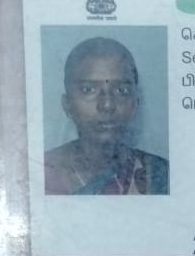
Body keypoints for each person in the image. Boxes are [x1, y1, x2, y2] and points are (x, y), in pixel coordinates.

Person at [44, 36, 169, 196]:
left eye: (121, 90)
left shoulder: (161, 176)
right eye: (88, 90)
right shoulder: (41, 172)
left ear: (135, 103)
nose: (107, 104)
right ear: (67, 104)